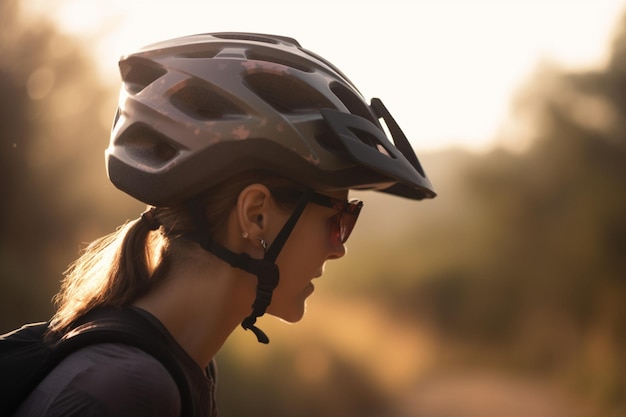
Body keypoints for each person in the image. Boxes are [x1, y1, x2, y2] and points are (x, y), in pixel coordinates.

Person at [14, 32, 435, 417]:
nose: (339, 247)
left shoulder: (175, 366)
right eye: (339, 219)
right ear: (256, 215)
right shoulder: (130, 390)